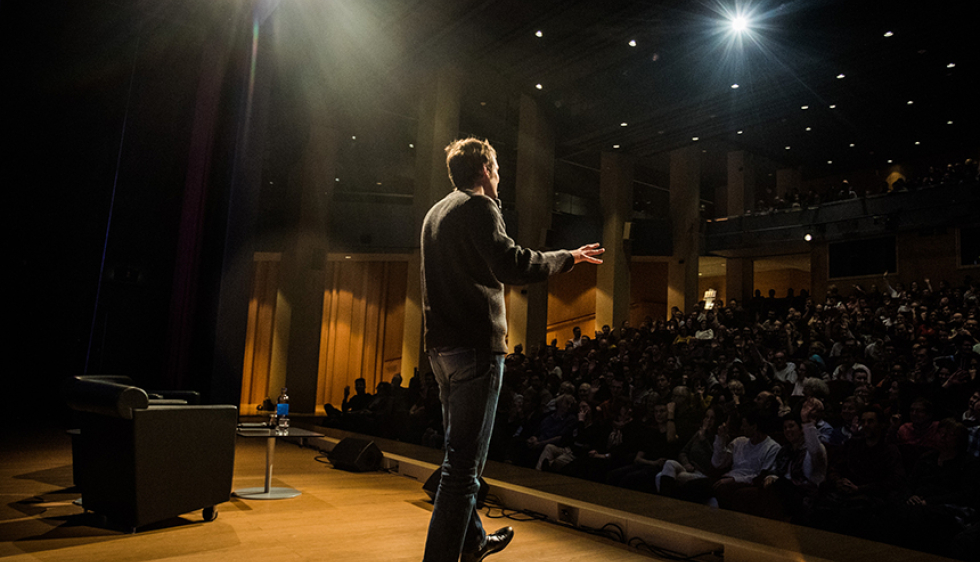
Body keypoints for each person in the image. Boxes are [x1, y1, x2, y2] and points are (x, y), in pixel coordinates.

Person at [420, 137, 604, 562]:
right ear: (485, 169)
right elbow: (513, 264)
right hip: (474, 349)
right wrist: (569, 257)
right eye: (497, 169)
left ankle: (473, 541)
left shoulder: (435, 212)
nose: (499, 177)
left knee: (457, 457)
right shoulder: (479, 207)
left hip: (441, 350)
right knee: (462, 471)